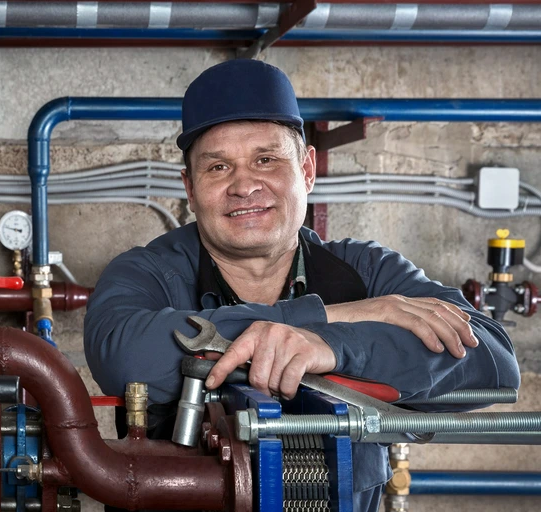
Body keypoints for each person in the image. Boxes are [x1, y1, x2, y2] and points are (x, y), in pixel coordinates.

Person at [84, 59, 520, 511]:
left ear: (308, 171)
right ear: (190, 189)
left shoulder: (367, 271)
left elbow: (494, 360)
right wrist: (327, 316)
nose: (243, 185)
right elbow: (124, 356)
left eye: (266, 159)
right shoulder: (147, 273)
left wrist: (335, 347)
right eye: (217, 168)